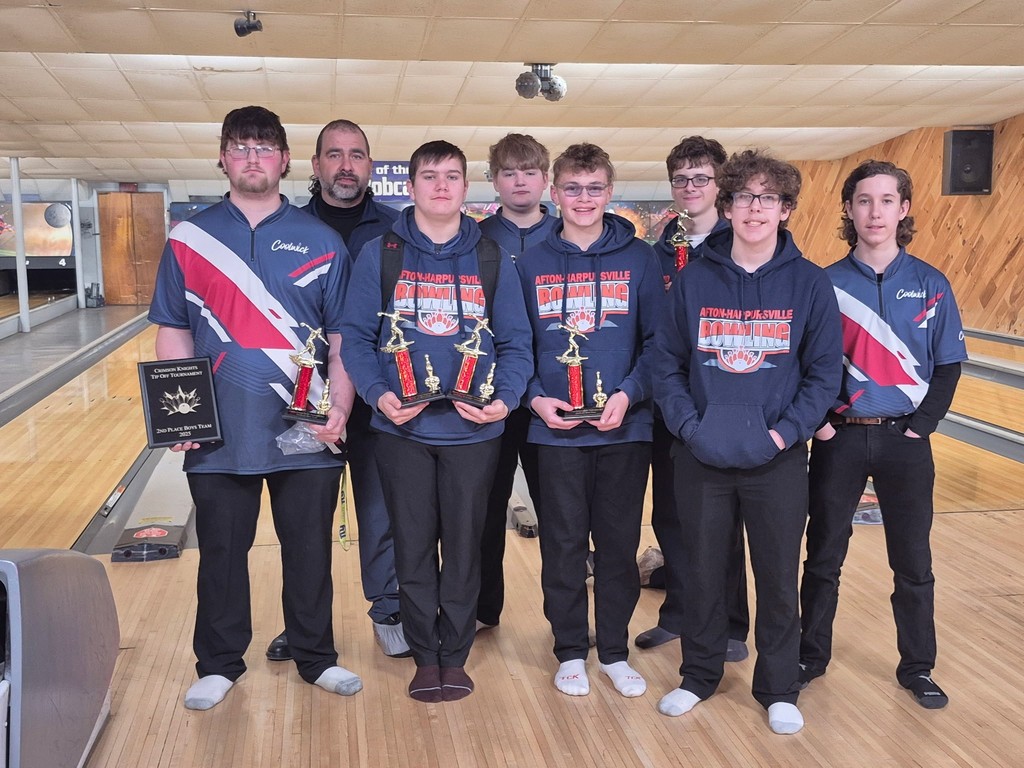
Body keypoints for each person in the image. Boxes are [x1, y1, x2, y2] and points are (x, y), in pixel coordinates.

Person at [148, 105, 362, 710]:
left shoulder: (321, 239)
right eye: (239, 147)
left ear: (286, 161)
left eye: (264, 148)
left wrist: (339, 408)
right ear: (222, 157)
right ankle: (219, 663)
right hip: (220, 427)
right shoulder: (190, 238)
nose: (251, 158)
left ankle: (315, 657)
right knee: (220, 552)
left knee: (309, 551)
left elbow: (342, 335)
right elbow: (174, 328)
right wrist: (177, 415)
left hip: (304, 424)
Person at [653, 149, 842, 734]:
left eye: (768, 198)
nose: (754, 208)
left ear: (785, 209)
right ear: (727, 203)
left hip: (777, 460)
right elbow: (665, 362)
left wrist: (786, 432)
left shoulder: (810, 284)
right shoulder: (693, 278)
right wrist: (689, 427)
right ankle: (699, 675)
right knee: (703, 573)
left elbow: (823, 373)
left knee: (778, 577)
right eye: (743, 196)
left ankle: (779, 686)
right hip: (702, 456)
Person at [339, 140, 532, 702]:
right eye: (430, 176)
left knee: (467, 546)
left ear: (466, 187)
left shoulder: (493, 257)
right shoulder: (380, 253)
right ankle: (427, 655)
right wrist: (378, 395)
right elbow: (355, 336)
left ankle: (457, 651)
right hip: (402, 428)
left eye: (452, 176)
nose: (441, 186)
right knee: (414, 546)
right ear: (412, 186)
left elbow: (518, 344)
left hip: (476, 428)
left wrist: (507, 400)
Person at [799, 160, 966, 710]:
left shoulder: (929, 284)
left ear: (904, 209)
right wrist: (820, 423)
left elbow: (947, 366)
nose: (875, 211)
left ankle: (918, 667)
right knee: (823, 555)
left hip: (905, 443)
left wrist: (922, 428)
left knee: (913, 563)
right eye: (864, 201)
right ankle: (810, 656)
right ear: (848, 209)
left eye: (886, 200)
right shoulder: (823, 283)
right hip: (839, 439)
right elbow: (806, 364)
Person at [518, 143, 663, 699]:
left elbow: (658, 343)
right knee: (562, 544)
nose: (584, 199)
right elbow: (517, 345)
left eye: (595, 187)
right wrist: (535, 398)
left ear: (609, 191)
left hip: (624, 429)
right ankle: (570, 650)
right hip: (554, 432)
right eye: (573, 188)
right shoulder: (530, 263)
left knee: (619, 543)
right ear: (555, 194)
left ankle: (615, 651)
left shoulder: (641, 259)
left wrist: (628, 394)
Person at [264, 118, 408, 662]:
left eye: (356, 155)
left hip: (380, 395)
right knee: (305, 523)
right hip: (303, 396)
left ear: (369, 166)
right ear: (315, 164)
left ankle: (389, 608)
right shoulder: (287, 227)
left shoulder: (398, 229)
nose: (345, 165)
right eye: (334, 154)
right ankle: (303, 625)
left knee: (382, 512)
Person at [636, 136, 750, 663]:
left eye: (700, 178)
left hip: (724, 401)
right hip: (668, 403)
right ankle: (679, 613)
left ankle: (729, 626)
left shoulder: (744, 241)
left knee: (723, 521)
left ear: (720, 183)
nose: (690, 188)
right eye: (680, 179)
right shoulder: (662, 250)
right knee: (672, 516)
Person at [475, 133, 557, 631]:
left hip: (555, 396)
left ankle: (564, 620)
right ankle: (484, 610)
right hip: (494, 396)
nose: (520, 180)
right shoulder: (476, 241)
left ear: (545, 179)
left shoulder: (571, 235)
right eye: (509, 172)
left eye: (529, 171)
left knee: (561, 518)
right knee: (485, 512)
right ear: (494, 181)